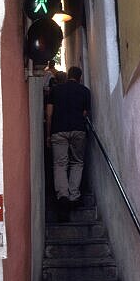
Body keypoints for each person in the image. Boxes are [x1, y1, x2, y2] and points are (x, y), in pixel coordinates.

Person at [46, 66, 91, 218]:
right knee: (77, 162)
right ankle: (74, 195)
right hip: (78, 130)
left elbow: (49, 114)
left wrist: (48, 134)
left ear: (68, 76)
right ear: (80, 77)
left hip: (58, 130)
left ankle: (63, 196)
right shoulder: (85, 91)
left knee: (60, 164)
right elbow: (84, 113)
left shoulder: (55, 90)